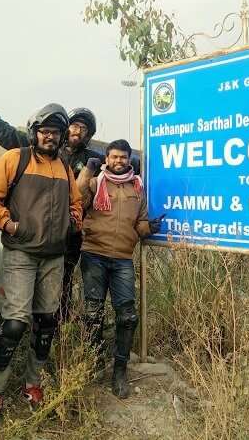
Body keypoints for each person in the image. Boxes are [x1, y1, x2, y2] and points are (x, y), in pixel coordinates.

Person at [0, 103, 82, 425]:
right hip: (21, 252)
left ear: (62, 137)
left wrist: (72, 222)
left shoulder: (64, 166)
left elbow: (76, 203)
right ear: (34, 132)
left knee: (47, 322)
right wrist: (9, 225)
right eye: (44, 131)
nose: (49, 137)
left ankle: (33, 385)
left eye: (55, 133)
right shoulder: (15, 158)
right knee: (15, 325)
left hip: (54, 255)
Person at [0, 85, 101, 323]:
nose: (77, 130)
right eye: (75, 124)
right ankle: (8, 330)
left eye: (84, 128)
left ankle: (55, 332)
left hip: (65, 240)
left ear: (88, 134)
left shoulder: (92, 159)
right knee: (17, 304)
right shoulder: (34, 149)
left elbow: (122, 164)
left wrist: (73, 223)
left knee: (61, 289)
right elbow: (7, 134)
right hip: (27, 239)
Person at [76, 139, 165, 398]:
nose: (119, 161)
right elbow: (76, 201)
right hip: (94, 254)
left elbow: (140, 224)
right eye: (114, 157)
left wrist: (151, 228)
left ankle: (119, 372)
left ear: (129, 159)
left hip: (123, 258)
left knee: (127, 316)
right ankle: (91, 366)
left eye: (123, 157)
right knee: (92, 314)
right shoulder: (95, 183)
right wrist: (88, 171)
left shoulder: (137, 188)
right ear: (107, 158)